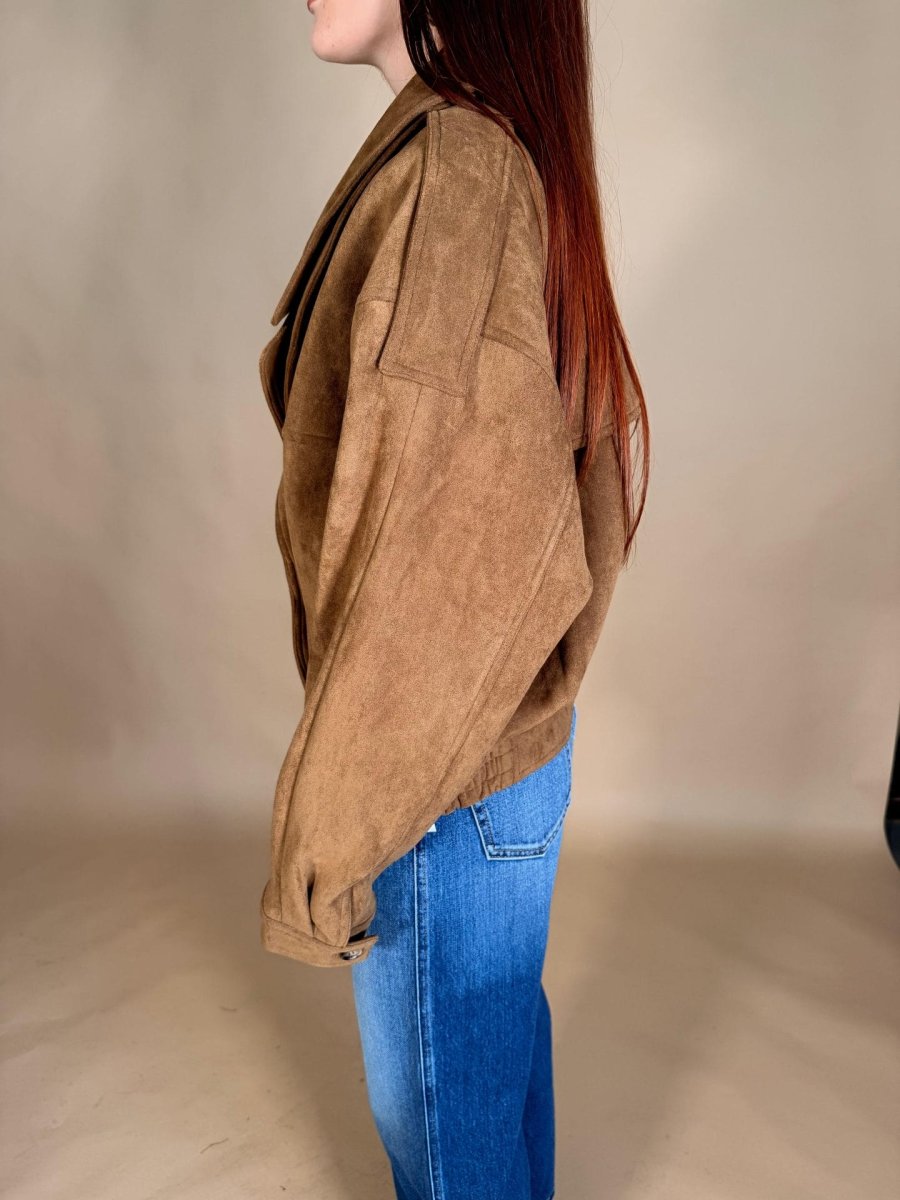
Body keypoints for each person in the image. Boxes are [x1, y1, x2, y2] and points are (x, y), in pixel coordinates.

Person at [258, 2, 649, 1197]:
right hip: (493, 760)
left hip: (440, 779)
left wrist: (332, 834)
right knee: (485, 1086)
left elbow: (437, 561)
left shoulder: (458, 175)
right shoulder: (489, 146)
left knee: (447, 1143)